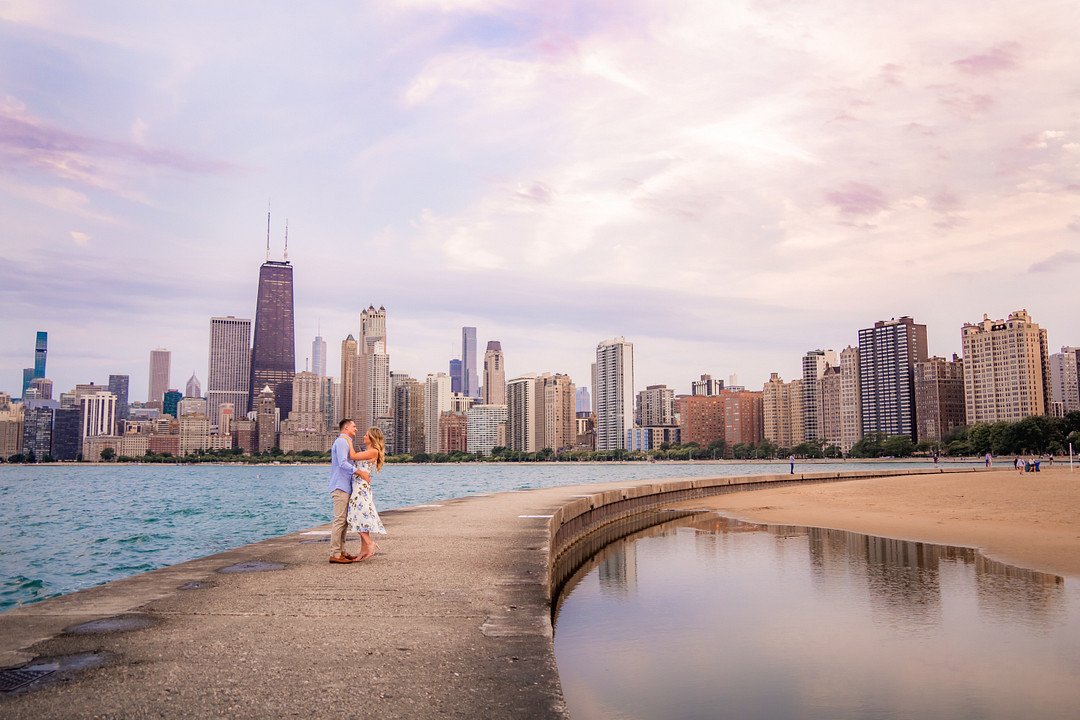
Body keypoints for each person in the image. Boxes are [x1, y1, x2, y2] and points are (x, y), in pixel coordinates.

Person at [347, 427, 387, 561]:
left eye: (366, 434)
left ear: (372, 438)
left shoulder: (373, 451)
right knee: (362, 517)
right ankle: (363, 551)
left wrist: (347, 440)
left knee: (355, 516)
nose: (363, 436)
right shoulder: (369, 451)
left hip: (360, 488)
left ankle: (370, 543)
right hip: (360, 486)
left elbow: (352, 456)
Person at [327, 419, 363, 564]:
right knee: (339, 520)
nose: (356, 429)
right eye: (354, 426)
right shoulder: (342, 441)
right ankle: (335, 553)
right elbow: (342, 463)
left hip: (345, 486)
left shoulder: (346, 441)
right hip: (340, 486)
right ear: (346, 427)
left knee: (344, 522)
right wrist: (359, 472)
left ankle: (341, 551)